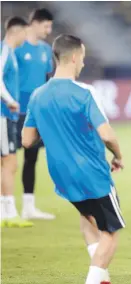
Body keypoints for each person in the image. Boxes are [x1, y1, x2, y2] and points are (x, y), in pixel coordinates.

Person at [22, 34, 124, 284]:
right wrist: (118, 155)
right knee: (111, 232)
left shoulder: (38, 95)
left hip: (61, 175)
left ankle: (102, 275)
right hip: (92, 173)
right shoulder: (84, 93)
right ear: (76, 57)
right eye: (83, 59)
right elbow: (107, 134)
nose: (84, 64)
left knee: (87, 216)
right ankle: (94, 278)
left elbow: (26, 140)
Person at [15, 8, 55, 220]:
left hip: (34, 113)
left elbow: (48, 80)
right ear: (36, 23)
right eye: (47, 26)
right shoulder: (16, 47)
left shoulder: (46, 50)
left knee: (32, 159)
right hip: (13, 112)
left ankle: (28, 206)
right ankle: (7, 205)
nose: (49, 31)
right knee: (7, 160)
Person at [0, 16, 32, 228]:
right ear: (17, 31)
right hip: (3, 114)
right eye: (25, 33)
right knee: (9, 162)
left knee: (7, 162)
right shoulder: (4, 50)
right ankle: (8, 211)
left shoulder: (9, 52)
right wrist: (10, 101)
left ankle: (6, 210)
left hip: (8, 115)